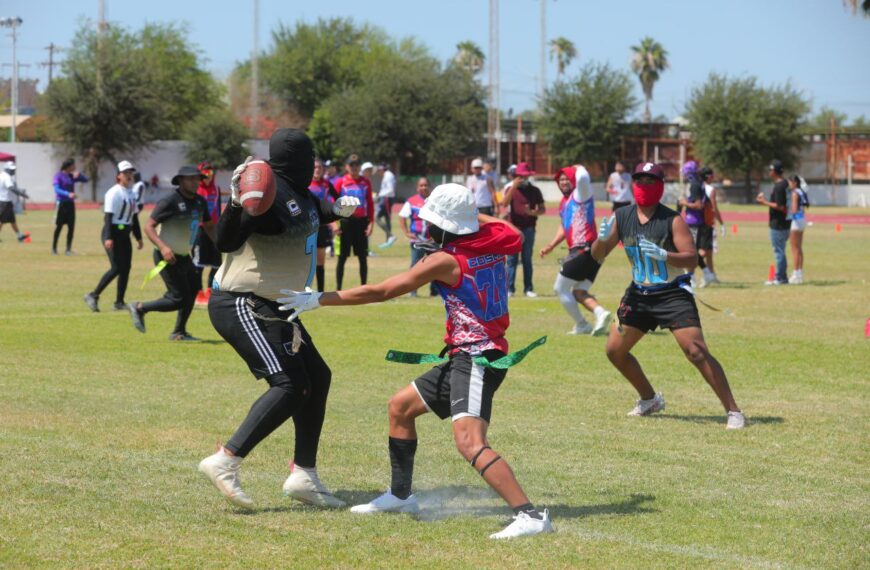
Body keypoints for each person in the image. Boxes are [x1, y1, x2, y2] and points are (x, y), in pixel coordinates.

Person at [277, 183, 555, 539]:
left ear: (446, 226)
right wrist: (472, 215)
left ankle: (529, 515)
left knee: (470, 442)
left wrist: (320, 298)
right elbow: (513, 230)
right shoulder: (493, 244)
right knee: (401, 408)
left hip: (477, 359)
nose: (427, 229)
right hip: (472, 354)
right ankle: (401, 495)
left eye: (433, 222)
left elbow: (383, 290)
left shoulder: (445, 259)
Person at [197, 129, 360, 509]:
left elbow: (309, 211)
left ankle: (305, 475)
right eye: (311, 155)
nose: (316, 162)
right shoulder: (267, 189)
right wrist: (237, 204)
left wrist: (336, 210)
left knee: (317, 379)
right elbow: (225, 240)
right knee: (289, 384)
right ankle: (226, 461)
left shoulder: (300, 193)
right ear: (296, 157)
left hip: (279, 305)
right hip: (243, 300)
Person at [591, 161, 745, 430]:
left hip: (672, 294)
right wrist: (601, 239)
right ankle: (649, 399)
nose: (643, 186)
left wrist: (665, 255)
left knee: (696, 352)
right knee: (614, 351)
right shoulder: (622, 216)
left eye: (650, 181)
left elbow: (692, 260)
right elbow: (597, 256)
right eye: (640, 181)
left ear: (660, 186)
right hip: (638, 294)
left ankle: (733, 410)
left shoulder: (673, 219)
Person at [127, 165, 215, 341]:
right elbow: (148, 226)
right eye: (190, 179)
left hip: (184, 256)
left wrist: (221, 243)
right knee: (178, 298)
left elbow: (209, 226)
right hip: (167, 257)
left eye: (197, 178)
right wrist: (163, 247)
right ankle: (139, 307)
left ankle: (179, 332)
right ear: (181, 181)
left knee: (192, 293)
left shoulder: (200, 201)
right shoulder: (170, 201)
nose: (195, 182)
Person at [540, 164, 612, 335]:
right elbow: (565, 226)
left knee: (560, 288)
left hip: (583, 249)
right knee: (579, 291)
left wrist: (577, 167)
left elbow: (583, 178)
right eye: (561, 179)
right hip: (593, 252)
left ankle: (582, 324)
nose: (564, 182)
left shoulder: (580, 195)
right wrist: (551, 245)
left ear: (573, 181)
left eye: (567, 178)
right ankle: (601, 313)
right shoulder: (564, 203)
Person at [83, 161, 143, 312]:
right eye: (126, 172)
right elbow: (108, 217)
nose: (129, 175)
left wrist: (139, 237)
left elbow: (134, 218)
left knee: (126, 268)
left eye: (130, 172)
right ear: (118, 176)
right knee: (116, 267)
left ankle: (119, 302)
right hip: (113, 233)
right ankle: (93, 295)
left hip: (125, 233)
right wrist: (109, 237)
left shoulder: (131, 193)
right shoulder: (113, 192)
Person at [501, 162, 544, 298]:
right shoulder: (511, 189)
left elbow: (542, 209)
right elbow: (504, 204)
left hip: (529, 228)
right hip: (513, 229)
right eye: (520, 176)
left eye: (525, 176)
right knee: (512, 260)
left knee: (527, 259)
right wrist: (513, 186)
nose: (523, 178)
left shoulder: (535, 190)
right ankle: (510, 289)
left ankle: (528, 288)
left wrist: (532, 212)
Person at [333, 154, 374, 289]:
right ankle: (338, 289)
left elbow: (370, 203)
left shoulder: (365, 182)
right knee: (342, 257)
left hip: (361, 222)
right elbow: (332, 203)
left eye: (357, 165)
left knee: (362, 257)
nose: (354, 168)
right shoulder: (340, 182)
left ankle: (364, 287)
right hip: (345, 222)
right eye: (351, 165)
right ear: (346, 167)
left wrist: (371, 223)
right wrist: (334, 223)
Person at [679, 165, 716, 287]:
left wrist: (684, 203)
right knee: (691, 251)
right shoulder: (698, 183)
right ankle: (701, 275)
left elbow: (699, 205)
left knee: (690, 251)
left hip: (694, 221)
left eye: (685, 173)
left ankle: (697, 276)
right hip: (695, 221)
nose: (684, 176)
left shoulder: (695, 184)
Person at [398, 176, 436, 297]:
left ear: (430, 187)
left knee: (436, 265)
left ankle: (435, 291)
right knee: (415, 265)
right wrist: (406, 232)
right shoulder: (412, 201)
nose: (424, 187)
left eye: (426, 185)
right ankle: (412, 291)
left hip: (433, 240)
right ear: (417, 188)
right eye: (421, 185)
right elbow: (402, 216)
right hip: (418, 239)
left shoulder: (435, 201)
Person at [193, 161, 223, 304]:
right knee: (198, 264)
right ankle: (198, 293)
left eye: (210, 172)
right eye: (205, 172)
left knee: (217, 263)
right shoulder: (195, 190)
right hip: (199, 230)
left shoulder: (216, 189)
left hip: (214, 230)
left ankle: (210, 290)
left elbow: (217, 210)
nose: (208, 175)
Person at [756, 159, 790, 286]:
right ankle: (782, 276)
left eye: (770, 170)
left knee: (779, 251)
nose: (769, 172)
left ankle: (780, 277)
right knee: (781, 250)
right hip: (785, 222)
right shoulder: (785, 183)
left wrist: (764, 202)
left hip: (778, 223)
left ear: (775, 172)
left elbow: (781, 206)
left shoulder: (780, 186)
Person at [308, 158, 338, 292]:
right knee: (306, 261)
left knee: (320, 260)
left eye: (319, 167)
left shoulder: (327, 184)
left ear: (323, 169)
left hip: (322, 227)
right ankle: (304, 290)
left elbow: (338, 200)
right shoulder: (305, 183)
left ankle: (320, 293)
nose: (317, 169)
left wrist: (334, 220)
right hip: (307, 227)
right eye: (314, 167)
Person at [52, 158, 88, 255]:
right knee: (59, 226)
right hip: (61, 203)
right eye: (73, 165)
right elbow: (56, 189)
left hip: (70, 205)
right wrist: (68, 194)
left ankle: (68, 249)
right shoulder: (58, 176)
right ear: (69, 166)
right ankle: (54, 249)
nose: (75, 167)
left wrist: (79, 175)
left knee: (71, 227)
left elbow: (86, 180)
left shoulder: (71, 176)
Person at [701, 167, 725, 284]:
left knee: (709, 251)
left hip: (697, 222)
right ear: (708, 176)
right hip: (707, 223)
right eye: (712, 175)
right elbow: (714, 208)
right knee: (703, 251)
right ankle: (692, 274)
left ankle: (712, 275)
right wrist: (722, 223)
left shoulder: (697, 187)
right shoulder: (711, 189)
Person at [0, 162, 30, 243]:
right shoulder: (6, 177)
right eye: (11, 170)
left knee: (12, 220)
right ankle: (19, 236)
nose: (13, 171)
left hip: (5, 201)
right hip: (5, 202)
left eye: (14, 170)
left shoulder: (2, 175)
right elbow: (11, 188)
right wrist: (22, 194)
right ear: (7, 169)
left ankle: (19, 236)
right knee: (1, 220)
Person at [788, 175, 809, 284]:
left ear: (795, 183)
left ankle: (795, 274)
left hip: (796, 221)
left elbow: (794, 209)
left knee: (794, 248)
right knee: (799, 248)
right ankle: (800, 273)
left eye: (790, 182)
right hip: (802, 220)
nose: (789, 184)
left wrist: (789, 210)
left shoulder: (795, 193)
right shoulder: (801, 191)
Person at [375, 163, 397, 248]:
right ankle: (388, 242)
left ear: (382, 169)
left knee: (377, 218)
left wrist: (379, 195)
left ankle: (391, 236)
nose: (378, 172)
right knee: (387, 220)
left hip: (386, 199)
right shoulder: (387, 175)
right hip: (386, 198)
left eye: (379, 170)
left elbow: (390, 190)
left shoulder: (388, 175)